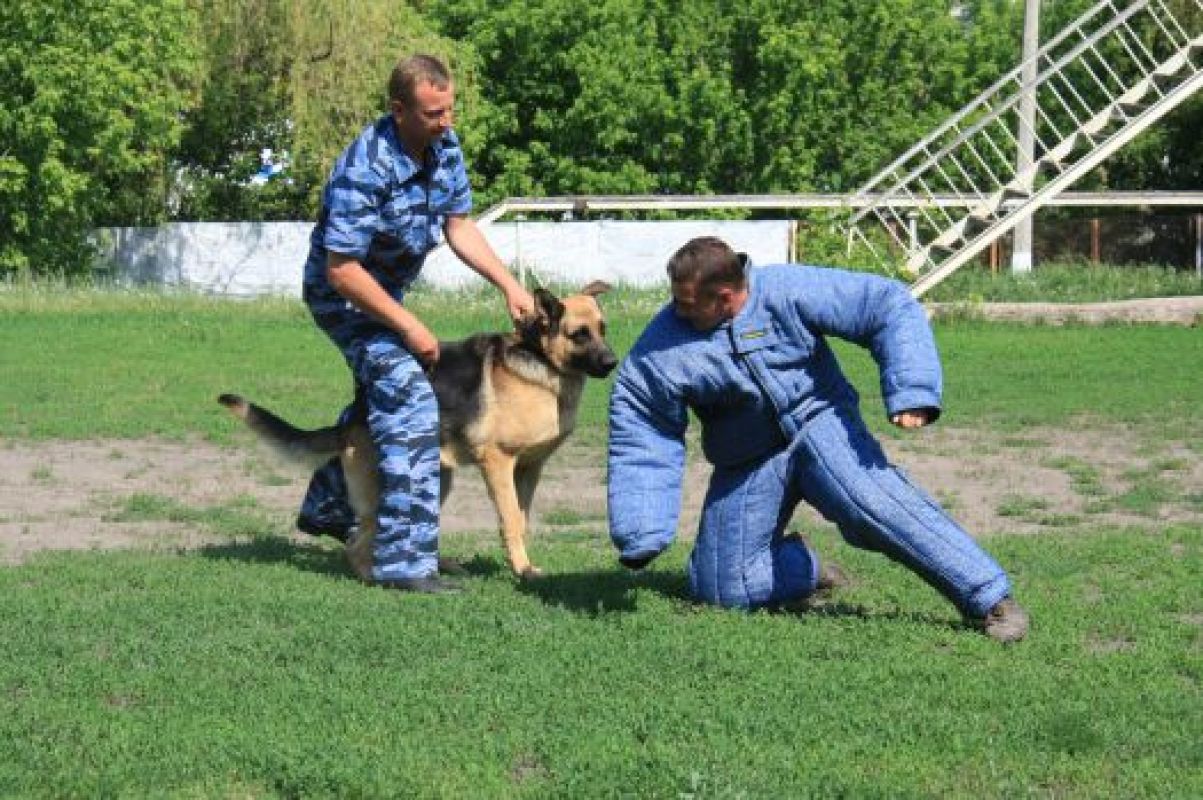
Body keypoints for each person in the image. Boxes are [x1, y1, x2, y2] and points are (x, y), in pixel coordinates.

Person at [607, 236, 1029, 642]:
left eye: (686, 303)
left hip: (819, 423)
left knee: (875, 505)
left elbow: (885, 305)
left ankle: (989, 598)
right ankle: (804, 569)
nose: (676, 312)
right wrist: (640, 529)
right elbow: (641, 421)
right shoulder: (662, 346)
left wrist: (913, 389)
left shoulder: (786, 289)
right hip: (748, 458)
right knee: (720, 587)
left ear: (724, 297)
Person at [296, 54, 534, 593]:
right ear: (398, 110)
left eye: (450, 109)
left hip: (386, 293)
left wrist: (509, 285)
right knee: (409, 399)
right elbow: (343, 270)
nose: (446, 122)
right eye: (432, 113)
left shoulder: (442, 146)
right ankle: (403, 563)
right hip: (346, 299)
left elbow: (459, 225)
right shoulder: (365, 168)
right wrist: (409, 328)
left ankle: (330, 507)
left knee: (382, 397)